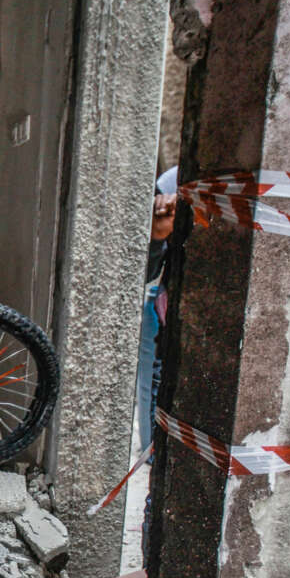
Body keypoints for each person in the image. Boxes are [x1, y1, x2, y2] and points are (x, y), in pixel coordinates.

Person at [137, 166, 178, 454]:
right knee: (156, 383)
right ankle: (154, 456)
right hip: (168, 313)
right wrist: (158, 236)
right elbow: (147, 270)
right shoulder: (170, 183)